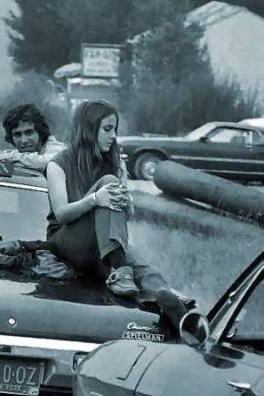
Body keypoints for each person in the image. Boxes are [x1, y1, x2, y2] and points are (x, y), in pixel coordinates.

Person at [45, 99, 188, 328]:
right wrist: (95, 200)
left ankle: (177, 310)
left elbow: (125, 217)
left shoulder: (114, 163)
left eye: (115, 130)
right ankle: (121, 270)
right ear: (89, 130)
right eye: (107, 129)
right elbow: (61, 214)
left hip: (103, 247)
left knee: (145, 270)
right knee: (108, 184)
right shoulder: (58, 165)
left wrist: (126, 203)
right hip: (67, 243)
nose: (113, 136)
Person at [0, 104, 65, 174]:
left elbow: (51, 162)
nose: (23, 140)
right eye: (17, 135)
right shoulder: (24, 157)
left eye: (29, 132)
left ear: (40, 132)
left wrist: (3, 156)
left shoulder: (57, 150)